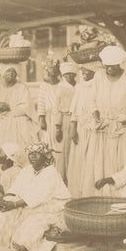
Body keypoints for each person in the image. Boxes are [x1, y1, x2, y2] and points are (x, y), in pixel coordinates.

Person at [0, 142, 71, 251]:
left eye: (37, 154)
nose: (33, 157)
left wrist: (14, 204)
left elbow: (40, 196)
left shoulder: (51, 172)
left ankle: (26, 246)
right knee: (1, 213)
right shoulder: (26, 171)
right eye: (31, 154)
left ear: (45, 156)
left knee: (31, 225)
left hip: (50, 207)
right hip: (27, 204)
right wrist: (4, 198)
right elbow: (15, 188)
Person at [83, 45, 126, 197]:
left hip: (121, 125)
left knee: (122, 160)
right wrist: (96, 113)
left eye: (113, 66)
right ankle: (101, 194)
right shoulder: (98, 76)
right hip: (102, 126)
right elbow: (92, 99)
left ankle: (121, 194)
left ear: (120, 64)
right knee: (100, 159)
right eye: (107, 66)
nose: (109, 69)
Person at [0, 63, 38, 181]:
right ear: (2, 73)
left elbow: (26, 107)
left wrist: (8, 108)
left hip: (16, 123)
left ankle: (21, 181)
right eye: (8, 71)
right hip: (0, 125)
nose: (11, 74)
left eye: (14, 72)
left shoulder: (22, 88)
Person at [66, 62, 97, 198]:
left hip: (94, 129)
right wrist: (73, 126)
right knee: (79, 158)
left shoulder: (99, 86)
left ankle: (90, 190)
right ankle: (77, 191)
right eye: (82, 69)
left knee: (92, 158)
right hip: (81, 128)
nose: (83, 71)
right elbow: (74, 110)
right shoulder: (79, 87)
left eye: (87, 69)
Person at [37, 58, 66, 177]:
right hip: (48, 118)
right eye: (49, 70)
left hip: (60, 117)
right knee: (48, 143)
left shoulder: (62, 85)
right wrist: (42, 118)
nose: (51, 73)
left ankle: (60, 172)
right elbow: (41, 102)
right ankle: (48, 171)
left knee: (60, 142)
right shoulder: (44, 86)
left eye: (54, 70)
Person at [54, 62, 77, 181]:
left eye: (71, 75)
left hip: (77, 119)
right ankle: (62, 177)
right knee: (64, 148)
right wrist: (58, 127)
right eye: (67, 75)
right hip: (65, 119)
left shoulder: (77, 87)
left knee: (75, 147)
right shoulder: (61, 89)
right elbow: (57, 109)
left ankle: (74, 175)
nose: (69, 77)